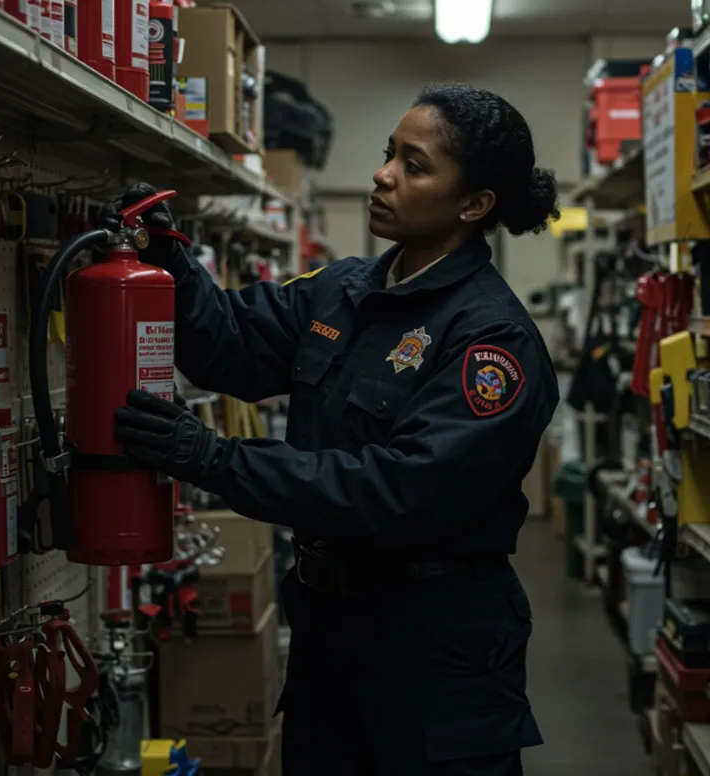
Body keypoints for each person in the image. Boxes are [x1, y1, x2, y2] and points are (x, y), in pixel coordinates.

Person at [111, 81, 561, 776]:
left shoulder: (491, 342)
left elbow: (395, 490)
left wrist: (217, 459)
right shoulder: (343, 290)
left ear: (474, 205)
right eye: (389, 154)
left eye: (414, 166)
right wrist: (170, 255)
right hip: (328, 630)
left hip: (434, 648)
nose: (382, 174)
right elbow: (230, 343)